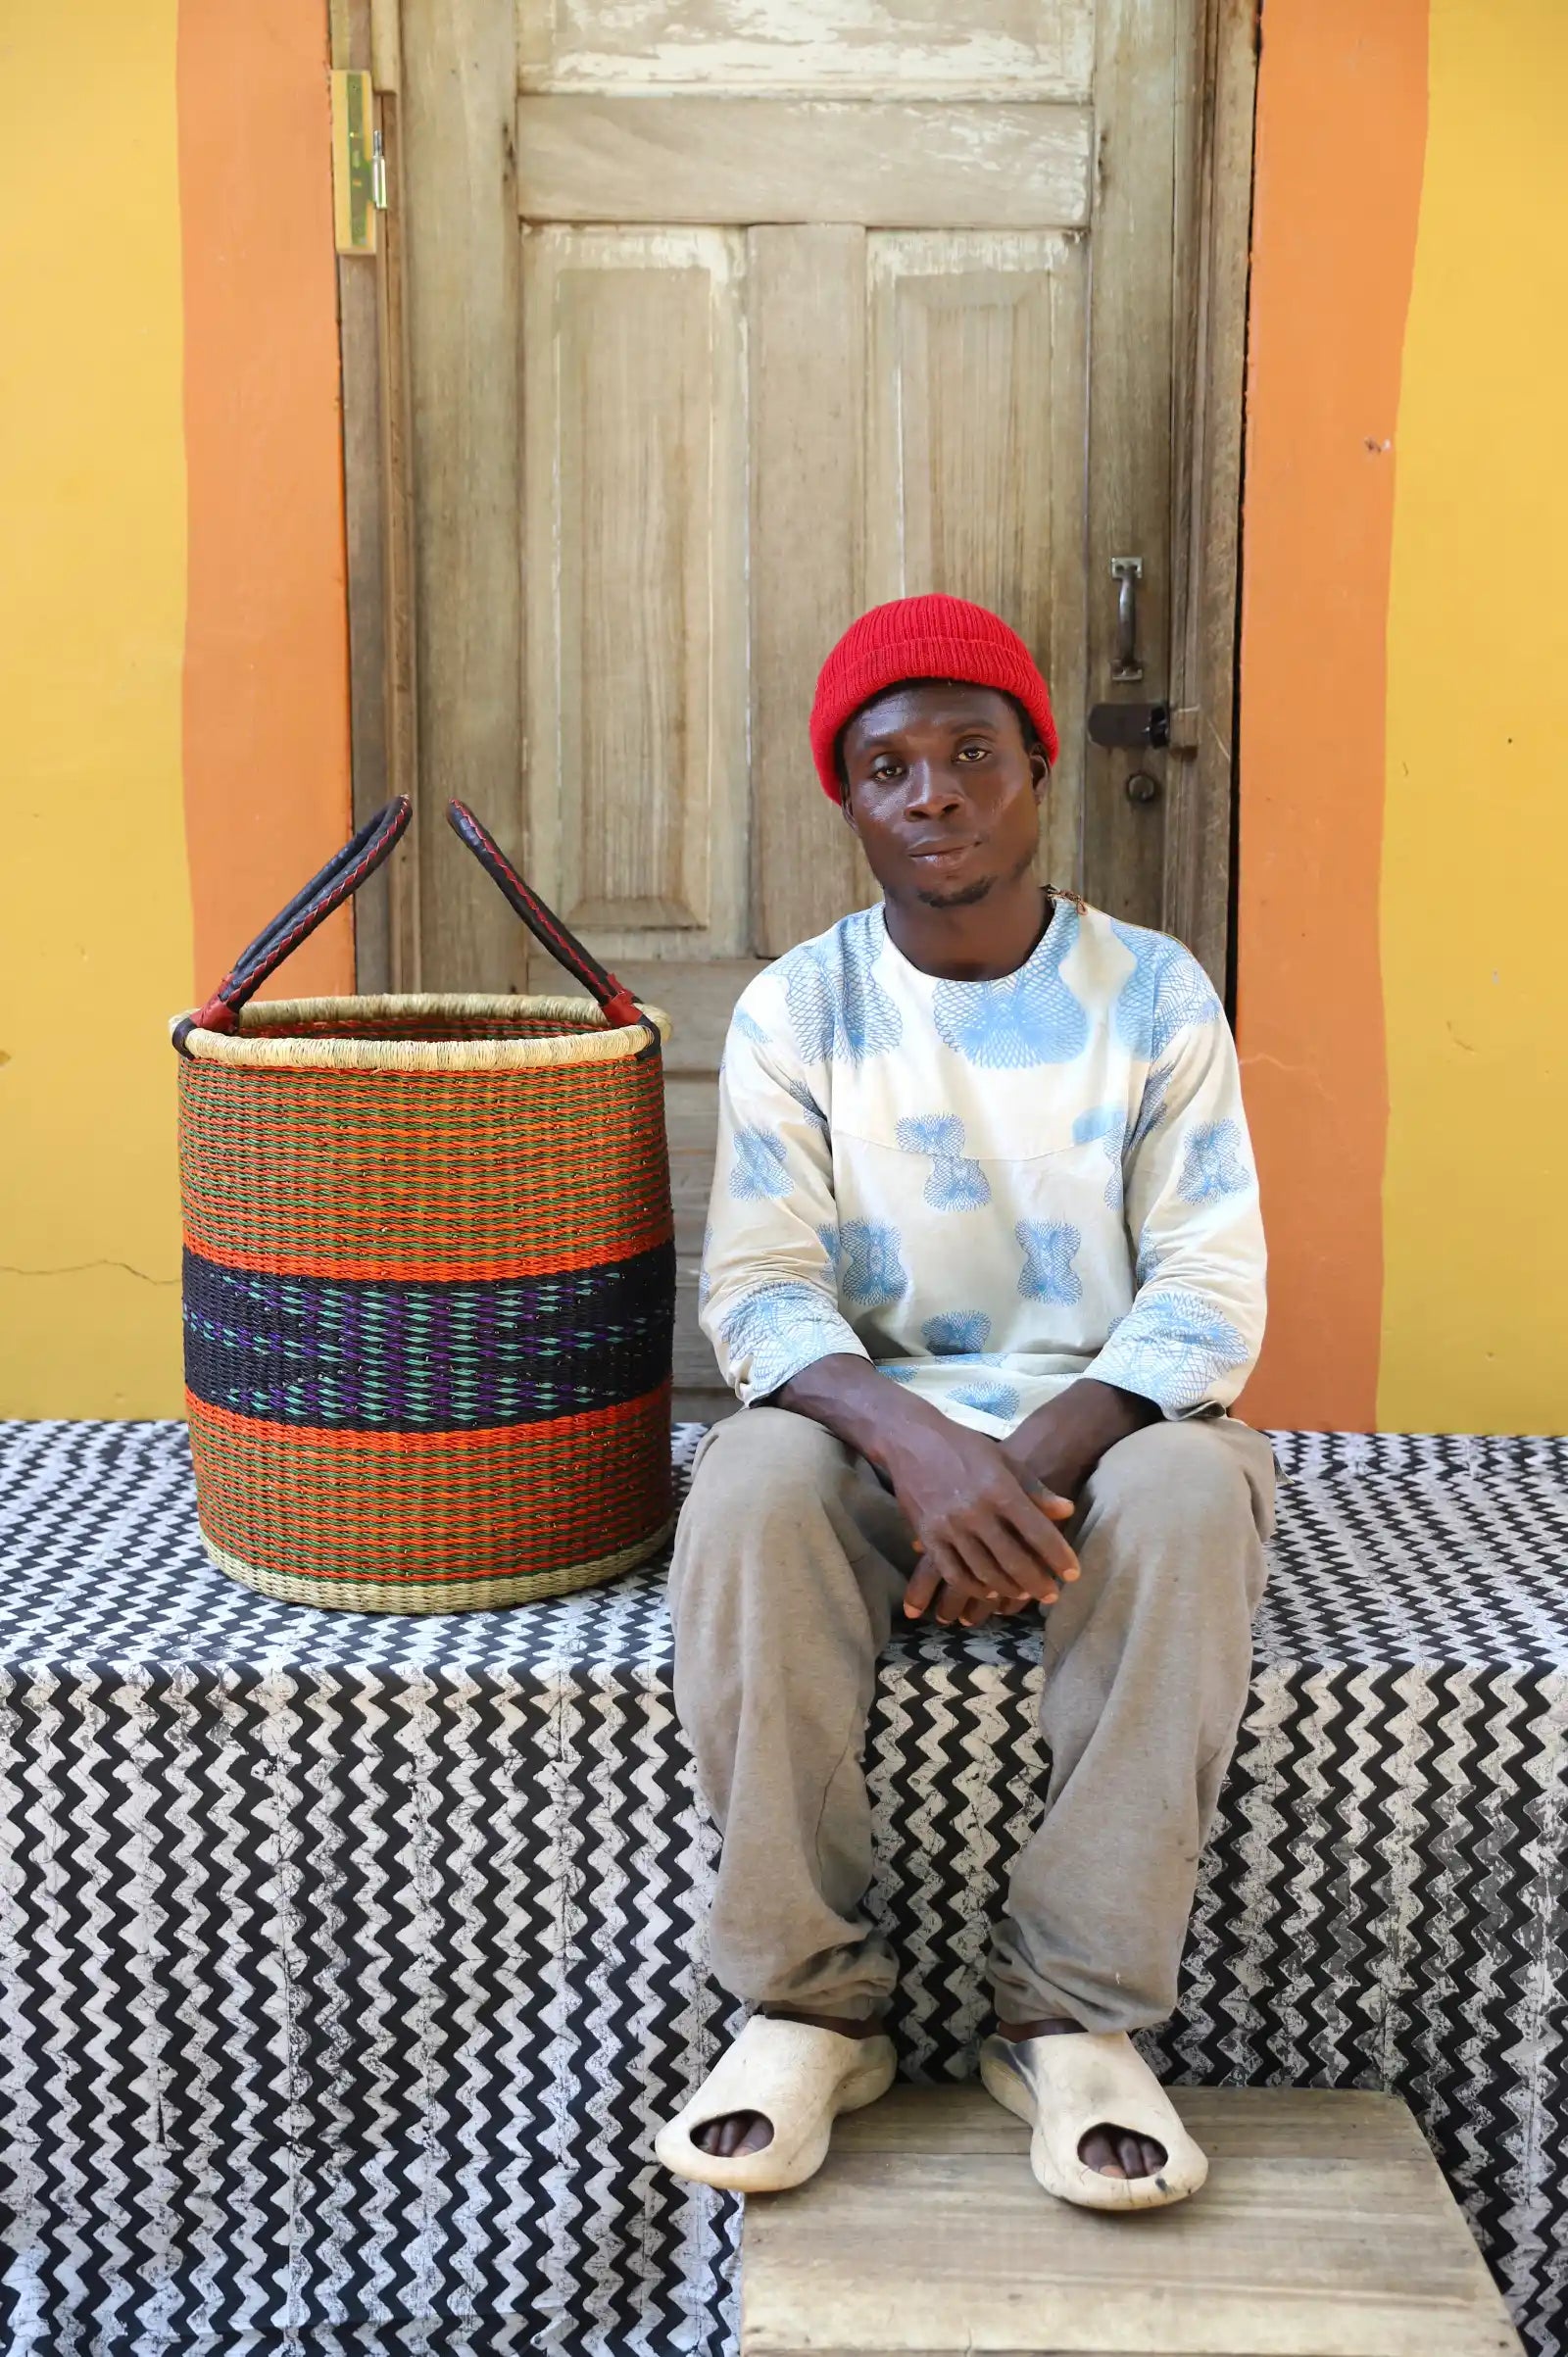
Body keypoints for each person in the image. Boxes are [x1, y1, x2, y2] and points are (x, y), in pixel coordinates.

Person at [655, 594, 1273, 2212]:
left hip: (1109, 1437)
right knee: (745, 1486)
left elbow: (1209, 1284)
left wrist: (1034, 1458)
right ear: (848, 800)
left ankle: (1069, 2015)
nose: (933, 792)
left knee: (1201, 1494)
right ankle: (808, 2003)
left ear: (1039, 770)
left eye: (970, 753)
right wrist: (921, 1451)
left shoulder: (1153, 994)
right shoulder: (803, 1008)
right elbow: (763, 1293)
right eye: (888, 766)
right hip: (876, 1436)